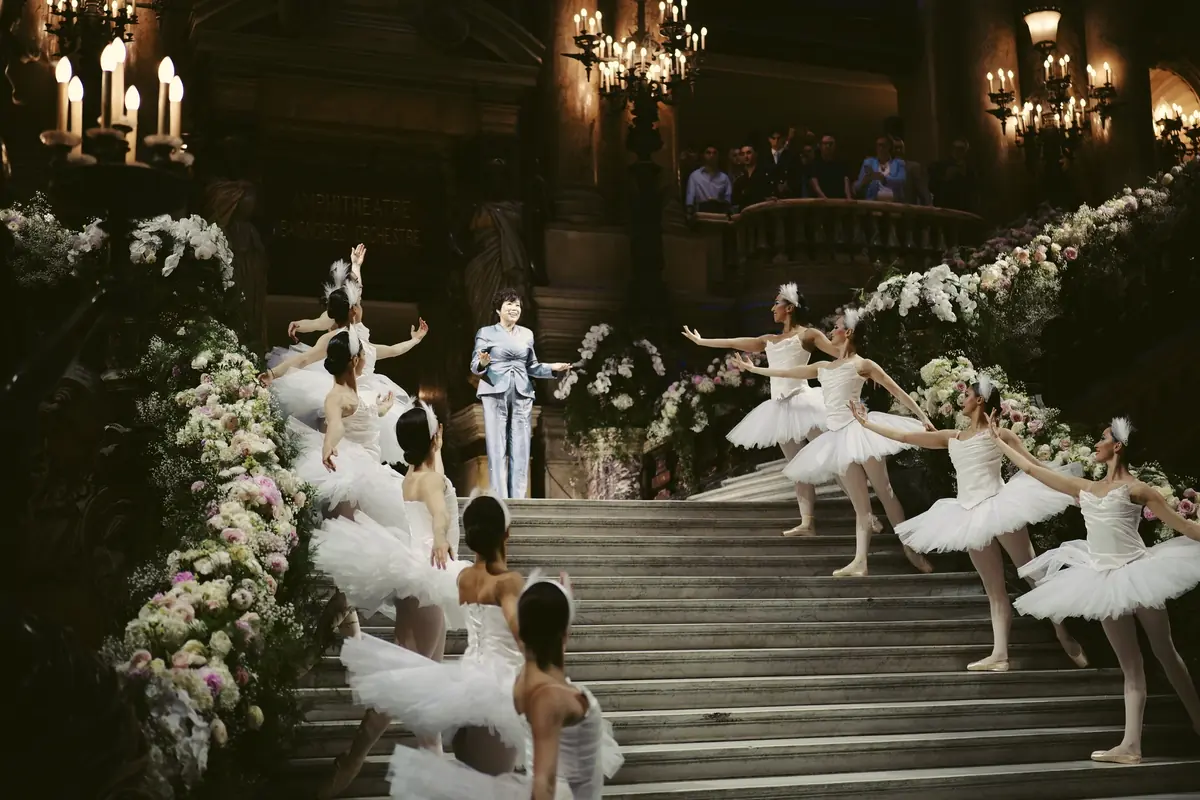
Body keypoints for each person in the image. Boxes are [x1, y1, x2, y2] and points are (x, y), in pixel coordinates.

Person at [992, 416, 1200, 764]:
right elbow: (1031, 468)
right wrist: (999, 441)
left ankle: (1197, 720)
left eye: (1103, 438)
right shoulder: (1084, 487)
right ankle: (1131, 745)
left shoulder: (1139, 490)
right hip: (1102, 579)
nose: (1097, 444)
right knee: (1131, 665)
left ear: (1117, 446)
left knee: (1165, 652)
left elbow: (1184, 527)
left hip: (1139, 573)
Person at [848, 376, 1088, 672]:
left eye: (968, 395)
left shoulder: (1001, 435)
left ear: (980, 401)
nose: (962, 399)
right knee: (993, 588)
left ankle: (1062, 631)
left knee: (1032, 574)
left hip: (1001, 506)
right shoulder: (954, 437)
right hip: (968, 513)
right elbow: (907, 438)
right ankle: (1000, 654)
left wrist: (1076, 490)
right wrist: (867, 425)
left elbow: (1035, 468)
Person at [311, 402, 462, 797]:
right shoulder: (428, 481)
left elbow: (438, 486)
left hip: (428, 578)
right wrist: (443, 536)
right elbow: (439, 514)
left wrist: (437, 445)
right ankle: (353, 758)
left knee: (426, 694)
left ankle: (438, 778)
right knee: (400, 683)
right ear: (432, 438)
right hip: (428, 580)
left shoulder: (416, 473)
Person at [340, 490, 530, 790]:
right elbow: (522, 635)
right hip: (499, 693)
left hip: (467, 689)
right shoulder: (509, 583)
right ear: (506, 533)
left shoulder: (464, 579)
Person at [383, 574, 624, 799]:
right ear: (564, 634)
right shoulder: (549, 698)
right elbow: (544, 784)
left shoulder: (529, 681)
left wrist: (561, 609)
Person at [732, 308, 933, 576]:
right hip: (838, 438)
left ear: (848, 332)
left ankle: (910, 548)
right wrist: (752, 368)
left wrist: (924, 418)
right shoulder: (823, 367)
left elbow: (897, 390)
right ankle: (860, 561)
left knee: (884, 491)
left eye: (836, 327)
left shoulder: (863, 364)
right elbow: (786, 372)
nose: (830, 331)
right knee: (860, 505)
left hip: (863, 432)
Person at [681, 283, 839, 535]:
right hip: (781, 408)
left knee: (832, 457)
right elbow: (734, 341)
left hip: (804, 402)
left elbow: (838, 352)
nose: (772, 308)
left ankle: (866, 514)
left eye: (776, 303)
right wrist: (702, 342)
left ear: (789, 308)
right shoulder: (769, 340)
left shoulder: (808, 335)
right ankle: (807, 521)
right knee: (798, 466)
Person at [262, 267, 427, 463]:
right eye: (358, 304)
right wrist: (274, 373)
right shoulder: (337, 340)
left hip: (366, 400)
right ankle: (331, 452)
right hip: (349, 396)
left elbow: (391, 350)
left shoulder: (364, 343)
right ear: (354, 310)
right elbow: (303, 358)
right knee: (337, 430)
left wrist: (415, 340)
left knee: (364, 442)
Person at [470, 289, 570, 498]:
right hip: (495, 389)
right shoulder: (486, 332)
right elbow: (474, 366)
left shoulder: (527, 334)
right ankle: (500, 497)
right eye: (509, 304)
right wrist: (482, 363)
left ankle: (519, 497)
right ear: (498, 309)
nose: (514, 309)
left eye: (517, 305)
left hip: (522, 390)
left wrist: (552, 367)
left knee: (522, 444)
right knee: (497, 445)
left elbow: (531, 366)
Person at [854, 136, 906, 202]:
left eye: (883, 145)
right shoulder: (869, 162)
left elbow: (901, 181)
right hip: (873, 202)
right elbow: (857, 187)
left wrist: (883, 179)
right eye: (878, 145)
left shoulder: (898, 163)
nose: (880, 148)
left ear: (889, 147)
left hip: (894, 202)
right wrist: (864, 181)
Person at [684, 144, 733, 214]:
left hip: (719, 216)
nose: (711, 155)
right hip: (700, 215)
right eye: (708, 153)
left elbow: (728, 201)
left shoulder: (724, 178)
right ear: (703, 155)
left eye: (714, 153)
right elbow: (689, 201)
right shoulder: (694, 176)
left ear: (718, 156)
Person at [809, 134, 852, 200]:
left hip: (839, 202)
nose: (828, 146)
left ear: (835, 146)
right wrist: (825, 199)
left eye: (831, 143)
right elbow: (814, 183)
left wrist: (849, 198)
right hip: (821, 204)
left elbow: (846, 181)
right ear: (820, 146)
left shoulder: (841, 163)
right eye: (825, 143)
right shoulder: (814, 164)